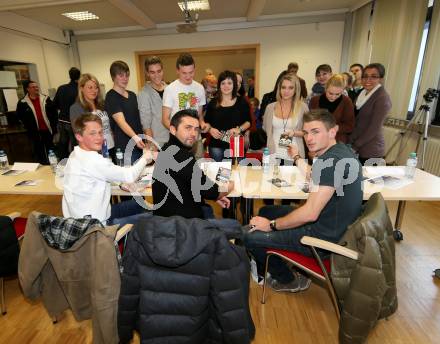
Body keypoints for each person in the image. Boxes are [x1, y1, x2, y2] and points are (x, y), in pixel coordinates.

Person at [244, 109, 363, 292]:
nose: (309, 138)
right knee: (266, 211)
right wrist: (297, 157)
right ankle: (275, 254)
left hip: (321, 237)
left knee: (249, 236)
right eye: (306, 132)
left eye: (315, 132)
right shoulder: (340, 151)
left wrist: (272, 225)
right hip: (335, 224)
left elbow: (310, 213)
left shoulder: (330, 162)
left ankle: (288, 280)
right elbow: (314, 175)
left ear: (332, 131)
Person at [62, 114, 153, 226]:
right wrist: (145, 158)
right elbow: (129, 175)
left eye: (100, 132)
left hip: (80, 221)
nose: (99, 137)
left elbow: (96, 177)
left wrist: (120, 182)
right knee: (154, 215)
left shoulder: (75, 154)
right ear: (79, 137)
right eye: (92, 133)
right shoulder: (93, 160)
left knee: (141, 205)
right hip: (97, 228)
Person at [152, 110, 234, 219]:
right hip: (185, 227)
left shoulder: (167, 149)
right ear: (173, 129)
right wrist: (230, 185)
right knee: (236, 226)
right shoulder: (181, 156)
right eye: (188, 128)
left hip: (168, 221)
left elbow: (186, 185)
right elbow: (214, 191)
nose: (193, 134)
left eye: (196, 129)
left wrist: (214, 196)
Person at [349, 63, 392, 165]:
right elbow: (357, 120)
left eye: (373, 76)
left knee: (368, 181)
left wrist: (355, 146)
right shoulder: (362, 94)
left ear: (381, 79)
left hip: (371, 151)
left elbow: (374, 128)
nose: (368, 80)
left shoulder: (382, 98)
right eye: (365, 76)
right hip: (357, 146)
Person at [204, 70, 251, 162]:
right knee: (219, 174)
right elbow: (206, 122)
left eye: (229, 83)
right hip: (216, 146)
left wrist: (239, 129)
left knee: (238, 173)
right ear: (219, 85)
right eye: (223, 83)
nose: (226, 86)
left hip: (236, 143)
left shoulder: (242, 102)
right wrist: (210, 129)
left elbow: (248, 122)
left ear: (234, 85)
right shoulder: (213, 103)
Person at [105, 60, 144, 163]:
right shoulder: (111, 96)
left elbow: (138, 120)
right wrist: (135, 137)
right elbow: (121, 122)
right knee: (129, 178)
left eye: (127, 75)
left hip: (139, 145)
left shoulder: (132, 95)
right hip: (125, 148)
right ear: (113, 77)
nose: (125, 79)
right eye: (121, 75)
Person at [263, 73, 308, 161]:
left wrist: (294, 133)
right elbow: (266, 128)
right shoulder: (270, 107)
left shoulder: (303, 107)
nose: (286, 91)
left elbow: (308, 131)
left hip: (295, 154)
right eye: (283, 87)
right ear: (279, 89)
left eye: (291, 88)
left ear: (296, 89)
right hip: (273, 154)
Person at [70, 73, 114, 157]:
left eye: (96, 87)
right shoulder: (75, 108)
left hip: (110, 147)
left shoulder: (102, 104)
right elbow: (79, 133)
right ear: (81, 88)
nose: (94, 90)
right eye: (90, 87)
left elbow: (109, 126)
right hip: (94, 152)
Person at [16, 80, 57, 164]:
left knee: (51, 149)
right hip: (35, 131)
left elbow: (54, 113)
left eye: (36, 86)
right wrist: (27, 126)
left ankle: (52, 164)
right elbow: (20, 117)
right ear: (28, 89)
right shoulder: (22, 102)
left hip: (47, 129)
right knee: (39, 150)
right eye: (33, 87)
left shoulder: (46, 98)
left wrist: (54, 126)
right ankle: (42, 165)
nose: (36, 88)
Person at [162, 53, 206, 130]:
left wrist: (203, 124)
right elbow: (165, 119)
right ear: (177, 71)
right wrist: (178, 132)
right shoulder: (170, 89)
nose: (188, 76)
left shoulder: (200, 88)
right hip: (178, 138)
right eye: (184, 73)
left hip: (195, 137)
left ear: (194, 70)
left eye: (191, 72)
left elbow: (200, 116)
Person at [309, 74, 355, 143]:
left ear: (342, 91)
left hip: (337, 142)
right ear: (325, 88)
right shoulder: (314, 100)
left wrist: (335, 127)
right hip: (317, 141)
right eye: (330, 93)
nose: (333, 97)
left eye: (338, 94)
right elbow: (309, 121)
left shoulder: (347, 102)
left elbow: (350, 126)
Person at [138, 56, 168, 148]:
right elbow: (146, 125)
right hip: (158, 143)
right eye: (152, 72)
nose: (156, 75)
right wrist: (151, 146)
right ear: (147, 73)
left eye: (159, 71)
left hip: (174, 140)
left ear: (162, 71)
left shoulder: (170, 89)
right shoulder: (144, 94)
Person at [53, 67, 81, 159]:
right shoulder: (79, 89)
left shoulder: (61, 88)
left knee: (62, 144)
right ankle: (75, 164)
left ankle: (62, 163)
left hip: (61, 120)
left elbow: (55, 104)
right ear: (79, 76)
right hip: (73, 122)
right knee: (75, 145)